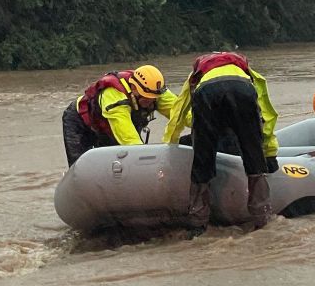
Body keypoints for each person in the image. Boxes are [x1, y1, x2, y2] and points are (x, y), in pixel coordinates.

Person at [164, 52, 280, 234]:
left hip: (207, 93)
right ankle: (262, 219)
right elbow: (267, 115)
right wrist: (269, 153)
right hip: (242, 90)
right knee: (254, 157)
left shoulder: (197, 74)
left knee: (203, 161)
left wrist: (168, 148)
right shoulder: (248, 73)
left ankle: (197, 224)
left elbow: (178, 112)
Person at [61, 65, 176, 166]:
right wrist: (150, 164)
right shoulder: (114, 94)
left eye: (153, 98)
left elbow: (181, 113)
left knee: (122, 164)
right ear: (134, 87)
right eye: (145, 97)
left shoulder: (156, 91)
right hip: (80, 123)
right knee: (81, 168)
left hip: (107, 130)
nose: (150, 101)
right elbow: (129, 139)